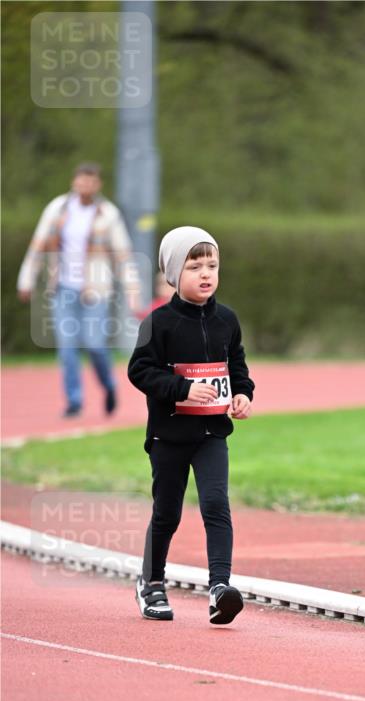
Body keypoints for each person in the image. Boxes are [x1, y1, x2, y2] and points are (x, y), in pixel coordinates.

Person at [128, 226, 255, 626]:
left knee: (216, 505)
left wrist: (242, 393)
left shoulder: (227, 320)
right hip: (169, 435)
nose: (206, 273)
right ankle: (151, 582)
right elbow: (139, 371)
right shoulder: (158, 322)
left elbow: (236, 364)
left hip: (212, 434)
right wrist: (181, 389)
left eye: (212, 265)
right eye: (195, 266)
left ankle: (220, 588)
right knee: (167, 513)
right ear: (172, 273)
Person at [17, 162, 140, 417]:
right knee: (67, 347)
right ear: (75, 182)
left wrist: (132, 290)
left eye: (91, 181)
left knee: (95, 345)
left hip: (96, 290)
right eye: (82, 180)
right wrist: (26, 280)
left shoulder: (108, 214)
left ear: (98, 184)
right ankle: (74, 401)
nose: (86, 185)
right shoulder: (57, 209)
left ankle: (108, 385)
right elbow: (38, 245)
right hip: (63, 288)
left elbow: (123, 255)